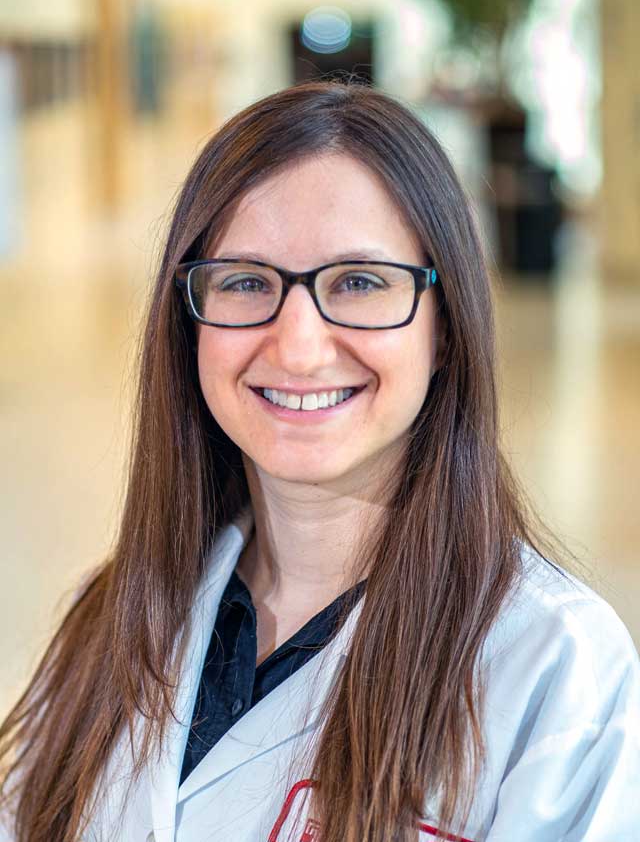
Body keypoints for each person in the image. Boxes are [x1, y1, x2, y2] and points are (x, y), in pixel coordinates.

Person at [1, 79, 639, 842]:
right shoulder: (112, 616)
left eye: (360, 282)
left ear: (443, 328)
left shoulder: (554, 672)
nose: (299, 347)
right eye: (244, 282)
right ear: (189, 325)